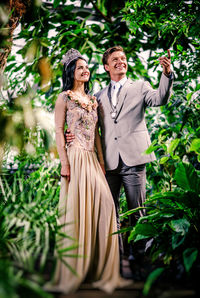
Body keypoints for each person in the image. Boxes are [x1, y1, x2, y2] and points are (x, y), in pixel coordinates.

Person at [66, 46, 174, 265]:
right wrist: (71, 134)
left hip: (135, 159)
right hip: (107, 162)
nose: (120, 62)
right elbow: (87, 125)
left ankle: (139, 259)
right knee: (108, 212)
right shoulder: (97, 96)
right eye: (115, 59)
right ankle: (115, 260)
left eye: (123, 59)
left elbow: (160, 98)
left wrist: (167, 74)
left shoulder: (141, 86)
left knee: (138, 213)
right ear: (106, 67)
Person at [45, 48, 131, 294]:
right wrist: (64, 163)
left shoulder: (93, 100)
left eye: (86, 67)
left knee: (105, 206)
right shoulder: (64, 98)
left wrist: (102, 164)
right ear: (71, 72)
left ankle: (103, 271)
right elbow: (59, 131)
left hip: (92, 160)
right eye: (80, 67)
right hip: (73, 158)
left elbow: (96, 135)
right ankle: (74, 271)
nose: (85, 70)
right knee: (77, 212)